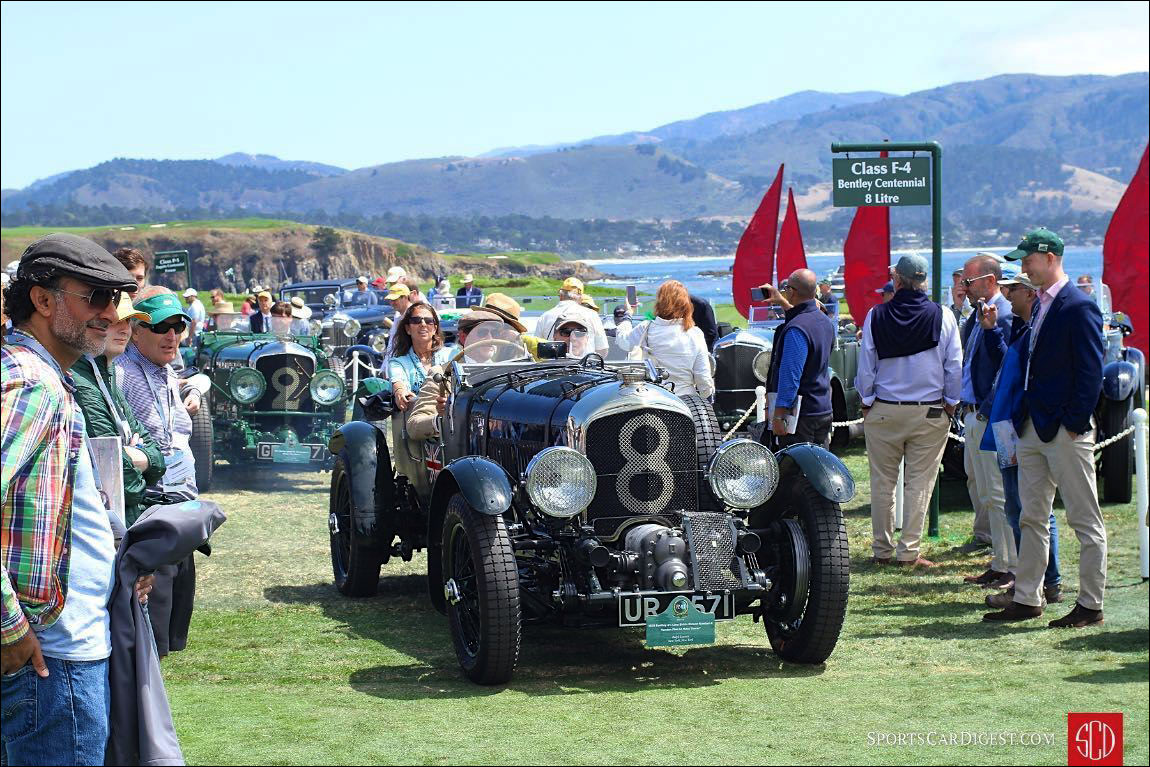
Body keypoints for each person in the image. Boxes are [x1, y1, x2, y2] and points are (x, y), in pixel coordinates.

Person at [1, 233, 153, 767]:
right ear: (43, 300)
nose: (111, 313)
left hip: (58, 648)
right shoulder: (30, 382)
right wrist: (8, 626)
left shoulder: (46, 376)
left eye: (117, 298)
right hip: (50, 656)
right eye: (95, 297)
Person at [984, 229, 1106, 627]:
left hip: (1063, 429)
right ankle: (1027, 597)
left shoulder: (1079, 306)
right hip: (1033, 426)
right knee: (1031, 517)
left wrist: (1073, 423)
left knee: (1084, 520)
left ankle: (1091, 604)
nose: (1024, 267)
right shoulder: (1041, 305)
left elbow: (1091, 372)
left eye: (1028, 260)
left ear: (1050, 257)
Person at [856, 254, 962, 568]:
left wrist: (866, 401)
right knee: (919, 484)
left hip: (885, 409)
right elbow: (954, 365)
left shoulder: (876, 315)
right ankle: (908, 552)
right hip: (929, 411)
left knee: (882, 483)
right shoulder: (943, 315)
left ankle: (882, 550)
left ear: (897, 279)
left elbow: (866, 366)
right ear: (924, 280)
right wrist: (950, 402)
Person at [979, 273, 1063, 609]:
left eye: (1012, 289)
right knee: (1016, 508)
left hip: (1017, 428)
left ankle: (1046, 582)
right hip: (1006, 429)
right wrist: (991, 332)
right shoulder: (1021, 328)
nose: (1006, 293)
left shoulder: (1036, 331)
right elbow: (1006, 366)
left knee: (1032, 510)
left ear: (1029, 293)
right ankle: (1035, 580)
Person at [70, 293, 167, 526]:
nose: (125, 329)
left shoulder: (107, 373)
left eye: (128, 321)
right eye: (115, 321)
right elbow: (118, 479)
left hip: (120, 520)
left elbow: (158, 459)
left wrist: (138, 457)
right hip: (105, 523)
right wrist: (141, 470)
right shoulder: (82, 380)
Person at [957, 254, 1014, 583]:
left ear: (990, 281)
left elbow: (1006, 366)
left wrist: (986, 410)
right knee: (985, 492)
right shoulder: (979, 315)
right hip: (974, 413)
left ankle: (1009, 565)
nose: (964, 287)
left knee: (998, 493)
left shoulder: (1002, 314)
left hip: (989, 416)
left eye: (969, 281)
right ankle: (1000, 562)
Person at [407, 298, 528, 441]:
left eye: (495, 333)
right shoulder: (442, 373)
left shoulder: (508, 371)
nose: (490, 338)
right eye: (482, 332)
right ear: (464, 337)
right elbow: (414, 427)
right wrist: (444, 418)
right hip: (462, 449)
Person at [759, 269, 835, 449]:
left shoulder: (796, 329)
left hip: (800, 417)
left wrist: (779, 415)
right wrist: (782, 301)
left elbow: (791, 375)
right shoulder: (825, 321)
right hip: (822, 407)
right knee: (820, 465)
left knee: (795, 467)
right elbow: (803, 316)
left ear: (792, 291)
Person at [614, 280, 714, 399]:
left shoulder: (646, 328)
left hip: (653, 398)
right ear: (686, 304)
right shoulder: (695, 333)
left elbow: (623, 341)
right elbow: (703, 379)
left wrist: (628, 314)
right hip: (685, 400)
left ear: (659, 302)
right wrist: (702, 398)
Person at [388, 303, 452, 412]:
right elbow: (397, 381)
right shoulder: (397, 363)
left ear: (435, 328)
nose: (423, 324)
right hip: (417, 417)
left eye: (429, 321)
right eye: (416, 320)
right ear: (408, 329)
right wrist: (400, 391)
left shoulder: (452, 355)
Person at [537, 277, 609, 356]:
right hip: (586, 363)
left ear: (561, 295)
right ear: (580, 297)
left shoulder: (544, 316)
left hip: (554, 363)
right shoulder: (592, 315)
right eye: (565, 332)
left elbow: (536, 346)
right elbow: (602, 350)